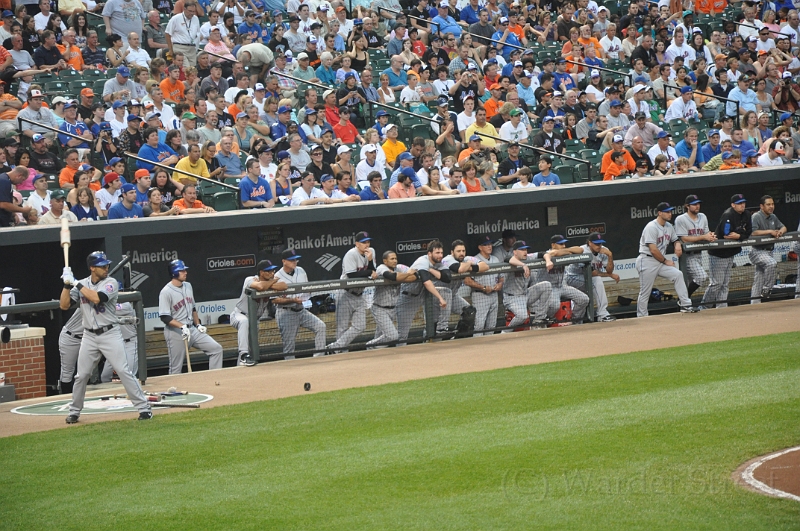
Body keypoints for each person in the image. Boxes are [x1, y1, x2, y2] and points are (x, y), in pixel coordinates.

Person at [59, 252, 152, 423]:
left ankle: (144, 408)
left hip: (110, 333)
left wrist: (75, 283)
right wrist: (66, 285)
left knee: (124, 371)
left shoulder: (111, 283)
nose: (106, 268)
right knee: (81, 376)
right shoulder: (83, 284)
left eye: (107, 265)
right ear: (92, 268)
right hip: (89, 335)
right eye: (102, 266)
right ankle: (74, 412)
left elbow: (97, 298)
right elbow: (64, 305)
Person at [158, 259, 223, 375]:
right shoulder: (166, 292)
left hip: (192, 330)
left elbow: (193, 308)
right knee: (175, 369)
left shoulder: (188, 286)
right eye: (182, 271)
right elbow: (165, 317)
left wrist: (198, 324)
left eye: (185, 270)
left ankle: (214, 378)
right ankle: (173, 392)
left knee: (216, 349)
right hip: (176, 333)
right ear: (174, 273)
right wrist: (182, 326)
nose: (185, 273)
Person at [636, 201, 697, 317]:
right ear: (659, 213)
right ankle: (642, 316)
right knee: (645, 292)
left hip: (659, 262)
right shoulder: (651, 227)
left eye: (670, 212)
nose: (670, 214)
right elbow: (653, 250)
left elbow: (675, 239)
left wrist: (677, 245)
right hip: (647, 260)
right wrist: (665, 261)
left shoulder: (669, 226)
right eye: (667, 212)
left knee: (678, 275)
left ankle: (686, 305)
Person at [325, 231, 377, 352]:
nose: (367, 244)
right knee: (342, 327)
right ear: (357, 243)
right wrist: (369, 272)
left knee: (360, 326)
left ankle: (334, 347)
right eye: (364, 242)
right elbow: (352, 274)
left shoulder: (371, 252)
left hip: (359, 294)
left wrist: (369, 261)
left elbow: (373, 272)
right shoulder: (351, 254)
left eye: (368, 242)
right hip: (345, 293)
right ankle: (340, 353)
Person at [229, 260, 287, 366]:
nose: (272, 273)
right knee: (244, 322)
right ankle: (243, 355)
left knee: (252, 350)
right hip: (239, 315)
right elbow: (260, 287)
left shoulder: (270, 281)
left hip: (254, 320)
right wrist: (271, 283)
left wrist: (268, 284)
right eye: (268, 271)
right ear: (261, 272)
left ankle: (240, 367)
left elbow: (284, 286)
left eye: (273, 271)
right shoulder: (250, 279)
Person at [272, 248, 327, 356]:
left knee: (321, 327)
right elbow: (274, 300)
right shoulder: (277, 277)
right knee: (289, 347)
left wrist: (308, 295)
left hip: (301, 311)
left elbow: (306, 288)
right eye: (291, 260)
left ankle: (319, 358)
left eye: (296, 259)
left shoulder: (301, 270)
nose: (294, 262)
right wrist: (292, 300)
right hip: (286, 313)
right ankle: (290, 370)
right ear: (284, 261)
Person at [702, 194, 753, 310]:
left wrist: (739, 235)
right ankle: (704, 307)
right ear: (733, 205)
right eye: (739, 203)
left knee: (725, 284)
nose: (742, 205)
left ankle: (722, 307)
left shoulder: (746, 214)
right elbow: (727, 234)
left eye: (743, 202)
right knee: (716, 283)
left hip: (730, 253)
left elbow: (749, 231)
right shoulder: (728, 215)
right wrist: (740, 234)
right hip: (718, 254)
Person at [394, 240, 450, 342]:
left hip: (421, 295)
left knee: (432, 322)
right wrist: (440, 298)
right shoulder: (422, 261)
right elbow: (426, 282)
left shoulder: (437, 263)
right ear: (429, 253)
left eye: (441, 253)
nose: (440, 255)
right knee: (402, 334)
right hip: (408, 297)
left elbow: (448, 277)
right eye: (437, 253)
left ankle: (428, 341)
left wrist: (431, 270)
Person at [365, 251, 418, 347]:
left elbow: (414, 277)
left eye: (396, 258)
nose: (395, 261)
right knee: (392, 336)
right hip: (380, 308)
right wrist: (405, 275)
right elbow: (392, 276)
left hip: (392, 309)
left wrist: (402, 276)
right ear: (385, 261)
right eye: (392, 259)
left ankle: (375, 354)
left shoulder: (398, 268)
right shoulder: (381, 268)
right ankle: (369, 345)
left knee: (381, 337)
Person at [565, 232, 619, 323]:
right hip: (572, 278)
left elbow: (609, 270)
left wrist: (610, 256)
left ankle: (577, 320)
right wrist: (609, 275)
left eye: (600, 243)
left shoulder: (604, 251)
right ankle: (602, 314)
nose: (599, 246)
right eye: (596, 244)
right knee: (596, 280)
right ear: (590, 243)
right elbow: (591, 273)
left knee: (582, 298)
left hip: (583, 278)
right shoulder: (583, 250)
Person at [502, 240, 553, 330]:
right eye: (522, 250)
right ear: (515, 252)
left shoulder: (528, 258)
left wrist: (548, 261)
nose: (525, 252)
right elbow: (508, 259)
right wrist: (523, 265)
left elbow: (543, 253)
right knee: (522, 316)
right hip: (512, 298)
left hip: (526, 294)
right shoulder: (511, 258)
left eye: (526, 249)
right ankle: (506, 331)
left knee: (546, 285)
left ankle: (539, 319)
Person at [674, 194, 716, 300]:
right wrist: (703, 237)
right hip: (687, 256)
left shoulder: (703, 217)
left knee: (688, 283)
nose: (697, 206)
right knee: (701, 276)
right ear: (687, 206)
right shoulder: (681, 219)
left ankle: (684, 304)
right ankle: (684, 299)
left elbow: (706, 233)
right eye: (694, 204)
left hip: (698, 254)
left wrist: (710, 236)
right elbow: (684, 238)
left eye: (698, 204)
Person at [749, 195, 787, 304]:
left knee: (759, 278)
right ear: (762, 206)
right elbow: (753, 232)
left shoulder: (773, 216)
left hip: (769, 251)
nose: (771, 206)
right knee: (771, 264)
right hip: (757, 251)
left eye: (772, 204)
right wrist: (770, 231)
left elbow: (784, 227)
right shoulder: (756, 216)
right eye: (768, 204)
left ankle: (754, 305)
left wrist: (781, 232)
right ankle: (767, 288)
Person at [464, 236, 503, 336]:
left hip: (494, 295)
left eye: (490, 244)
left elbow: (501, 276)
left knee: (492, 326)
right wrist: (483, 287)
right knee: (479, 326)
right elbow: (467, 280)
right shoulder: (474, 260)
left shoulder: (495, 259)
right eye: (486, 245)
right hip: (480, 295)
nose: (489, 246)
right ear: (480, 247)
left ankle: (488, 350)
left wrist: (500, 284)